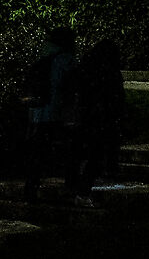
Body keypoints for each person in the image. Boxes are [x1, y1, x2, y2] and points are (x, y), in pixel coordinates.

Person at [21, 26, 80, 192]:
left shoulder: (43, 55)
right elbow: (70, 88)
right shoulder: (67, 60)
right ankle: (71, 185)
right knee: (70, 151)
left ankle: (31, 186)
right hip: (57, 113)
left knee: (38, 152)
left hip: (38, 112)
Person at [72, 38, 127, 196]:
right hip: (102, 119)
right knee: (96, 156)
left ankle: (77, 187)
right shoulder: (110, 72)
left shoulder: (86, 69)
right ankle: (83, 190)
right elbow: (117, 97)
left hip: (88, 117)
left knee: (85, 155)